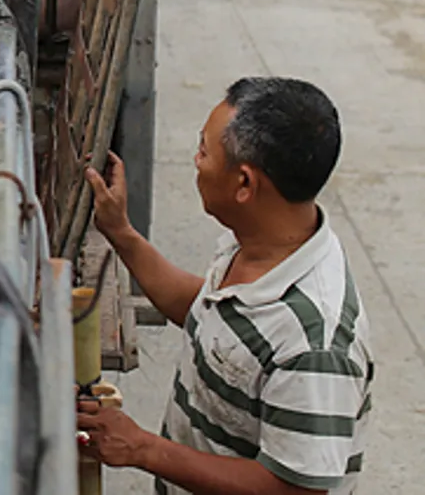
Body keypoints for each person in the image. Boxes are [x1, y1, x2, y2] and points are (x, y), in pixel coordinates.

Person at [77, 77, 372, 494]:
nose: (195, 161)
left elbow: (297, 489)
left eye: (204, 150)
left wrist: (143, 449)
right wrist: (121, 232)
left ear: (245, 185)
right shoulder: (262, 241)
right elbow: (210, 318)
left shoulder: (315, 344)